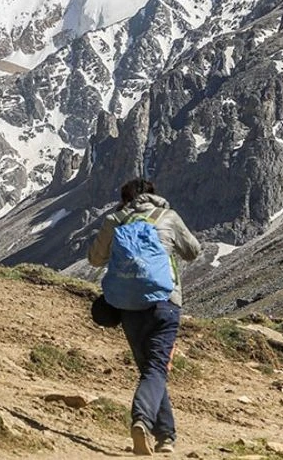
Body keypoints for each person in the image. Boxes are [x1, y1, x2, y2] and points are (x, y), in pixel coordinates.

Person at [88, 178, 200, 456]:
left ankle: (165, 437)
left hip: (128, 306)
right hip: (165, 303)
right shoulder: (168, 217)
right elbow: (193, 251)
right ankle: (141, 420)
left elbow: (95, 259)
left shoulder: (116, 220)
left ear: (125, 198)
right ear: (153, 195)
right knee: (156, 369)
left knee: (151, 370)